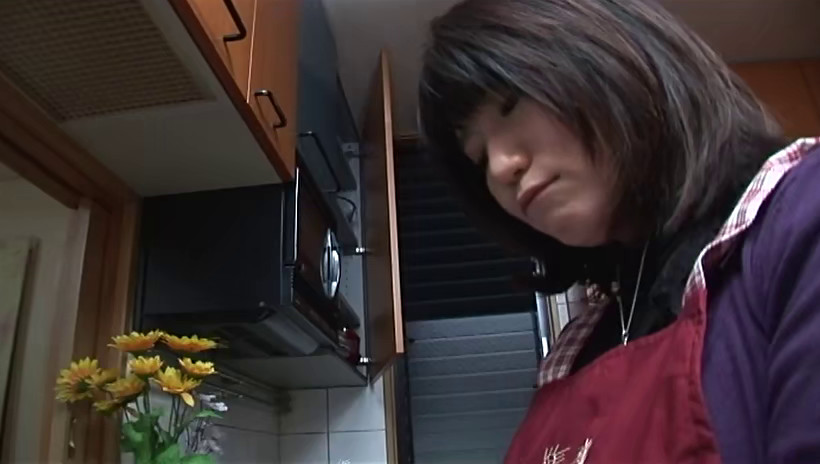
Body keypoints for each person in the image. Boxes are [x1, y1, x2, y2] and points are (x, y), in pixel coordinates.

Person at [417, 0, 820, 462]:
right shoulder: (580, 349)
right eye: (480, 157)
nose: (502, 166)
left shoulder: (800, 214)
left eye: (511, 105)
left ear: (610, 58)